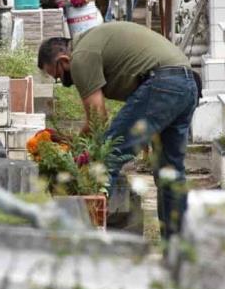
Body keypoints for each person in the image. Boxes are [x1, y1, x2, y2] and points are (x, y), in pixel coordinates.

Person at [37, 23, 200, 238]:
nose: (62, 81)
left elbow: (98, 118)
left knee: (106, 159)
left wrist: (76, 150)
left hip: (162, 83)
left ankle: (87, 237)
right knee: (170, 173)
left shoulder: (82, 56)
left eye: (58, 75)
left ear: (64, 60)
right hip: (187, 84)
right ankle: (176, 247)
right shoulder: (91, 42)